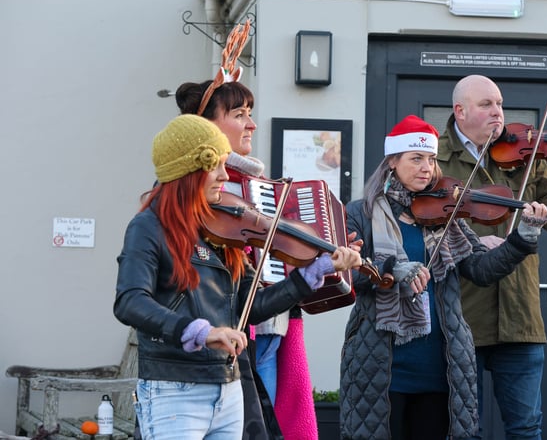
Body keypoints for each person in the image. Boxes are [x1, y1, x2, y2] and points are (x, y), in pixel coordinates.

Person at [114, 114, 362, 440]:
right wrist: (197, 331)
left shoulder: (222, 228)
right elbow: (130, 301)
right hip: (175, 387)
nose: (222, 175)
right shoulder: (149, 226)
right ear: (188, 172)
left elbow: (253, 307)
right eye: (213, 166)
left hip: (228, 387)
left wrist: (311, 274)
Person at [339, 115, 547, 440]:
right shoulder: (362, 212)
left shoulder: (445, 215)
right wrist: (393, 271)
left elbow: (481, 269)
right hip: (380, 366)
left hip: (440, 366)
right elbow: (349, 272)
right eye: (416, 158)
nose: (426, 167)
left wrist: (523, 237)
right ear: (393, 161)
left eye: (431, 159)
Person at [436, 74, 547, 440]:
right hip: (458, 317)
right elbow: (417, 219)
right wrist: (467, 247)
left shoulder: (525, 158)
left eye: (500, 104)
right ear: (460, 110)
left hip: (518, 317)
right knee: (460, 429)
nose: (497, 112)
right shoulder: (433, 158)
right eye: (486, 104)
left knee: (525, 428)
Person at [175, 20, 321, 440]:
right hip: (228, 333)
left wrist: (314, 253)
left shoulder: (258, 186)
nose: (251, 125)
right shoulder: (197, 188)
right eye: (239, 115)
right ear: (206, 126)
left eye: (249, 114)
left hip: (269, 324)